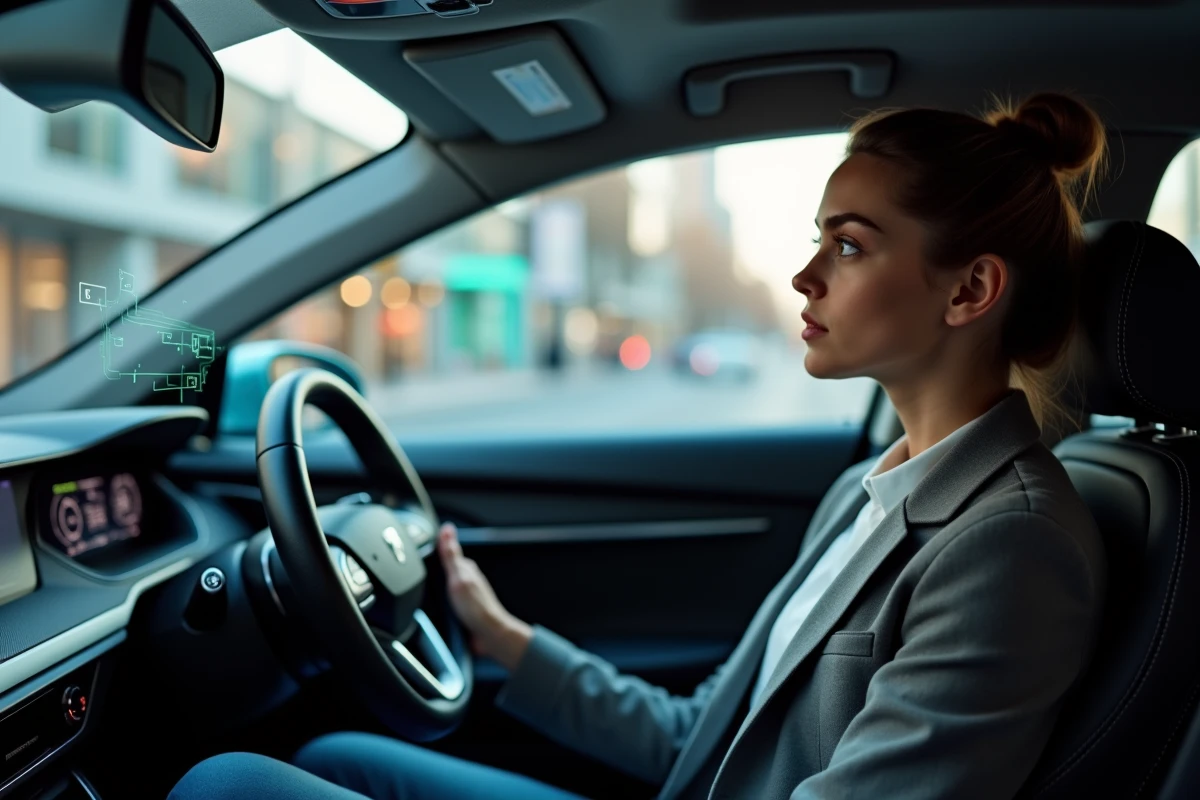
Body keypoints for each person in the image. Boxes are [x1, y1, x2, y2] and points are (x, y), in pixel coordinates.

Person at [169, 91, 1109, 800]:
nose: (805, 275)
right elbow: (699, 737)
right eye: (819, 239)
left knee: (226, 788)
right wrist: (501, 637)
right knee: (334, 758)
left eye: (851, 246)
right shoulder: (873, 490)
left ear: (969, 291)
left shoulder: (1010, 545)